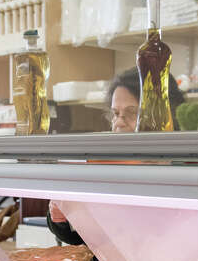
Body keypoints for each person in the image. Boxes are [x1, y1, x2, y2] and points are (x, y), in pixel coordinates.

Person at [47, 67, 184, 247]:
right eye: (116, 113)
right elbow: (78, 236)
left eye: (132, 113)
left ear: (164, 115)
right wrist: (62, 217)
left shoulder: (184, 167)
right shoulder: (104, 162)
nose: (119, 122)